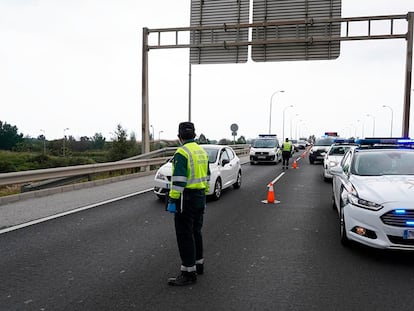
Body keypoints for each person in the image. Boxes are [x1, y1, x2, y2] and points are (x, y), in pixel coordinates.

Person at [166, 122, 210, 286]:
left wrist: (172, 199)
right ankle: (199, 264)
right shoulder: (201, 151)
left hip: (186, 198)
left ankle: (188, 272)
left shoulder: (181, 152)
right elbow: (207, 177)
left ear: (179, 137)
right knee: (196, 231)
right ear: (195, 135)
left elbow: (178, 181)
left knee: (184, 235)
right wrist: (204, 196)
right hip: (199, 196)